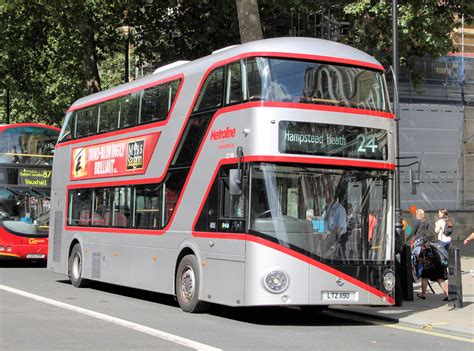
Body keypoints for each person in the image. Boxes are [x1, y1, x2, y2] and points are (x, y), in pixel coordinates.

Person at [416, 225, 448, 301]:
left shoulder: (424, 247)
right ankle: (447, 295)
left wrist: (419, 259)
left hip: (429, 266)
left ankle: (423, 295)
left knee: (424, 278)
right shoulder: (436, 244)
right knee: (440, 279)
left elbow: (423, 258)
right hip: (438, 265)